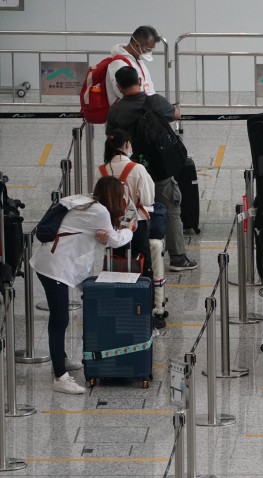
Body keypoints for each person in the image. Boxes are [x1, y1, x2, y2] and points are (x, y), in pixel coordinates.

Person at [31, 177, 134, 394]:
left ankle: (61, 360)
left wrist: (103, 237)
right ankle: (60, 376)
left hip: (51, 261)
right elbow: (115, 240)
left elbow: (88, 232)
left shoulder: (84, 200)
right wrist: (130, 229)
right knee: (59, 320)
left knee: (59, 319)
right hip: (55, 267)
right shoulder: (100, 212)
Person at [105, 66, 196, 273]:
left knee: (131, 210)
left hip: (131, 170)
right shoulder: (154, 101)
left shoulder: (116, 110)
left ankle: (135, 255)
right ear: (138, 79)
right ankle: (178, 258)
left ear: (118, 86)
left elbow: (111, 135)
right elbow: (176, 114)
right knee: (172, 209)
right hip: (159, 166)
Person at [99, 129, 166, 329]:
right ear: (127, 144)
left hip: (111, 224)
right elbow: (148, 199)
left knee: (116, 265)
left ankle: (118, 307)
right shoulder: (136, 169)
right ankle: (148, 311)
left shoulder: (101, 170)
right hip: (137, 224)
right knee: (143, 266)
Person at [104, 25, 160, 105]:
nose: (148, 53)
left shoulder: (137, 60)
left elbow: (148, 85)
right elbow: (126, 95)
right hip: (128, 112)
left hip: (141, 108)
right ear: (137, 45)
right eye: (147, 49)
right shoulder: (119, 64)